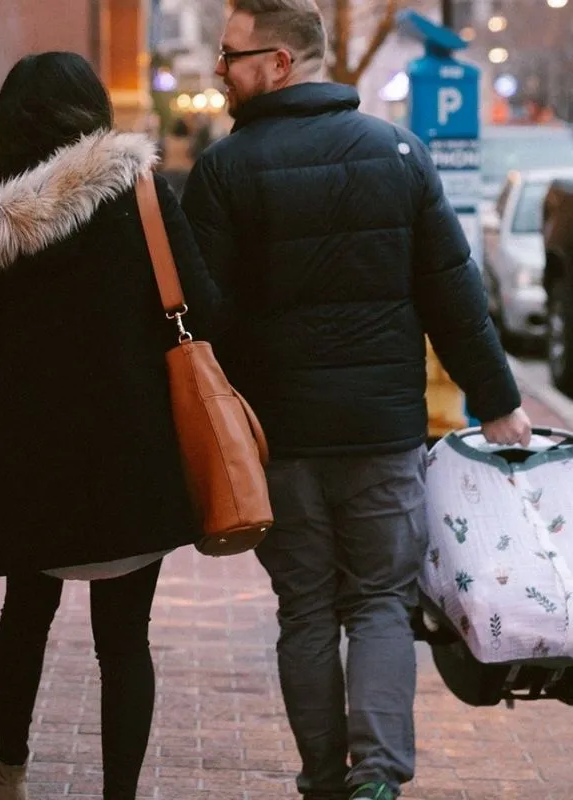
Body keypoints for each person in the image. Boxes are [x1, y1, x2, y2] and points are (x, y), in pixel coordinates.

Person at [180, 2, 532, 799]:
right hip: (381, 433)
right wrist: (498, 399)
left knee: (305, 609)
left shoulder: (224, 172)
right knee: (379, 603)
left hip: (281, 440)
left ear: (279, 63)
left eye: (232, 57)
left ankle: (321, 779)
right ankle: (377, 780)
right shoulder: (398, 154)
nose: (221, 73)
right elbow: (453, 293)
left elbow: (206, 320)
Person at [0, 53, 224, 800]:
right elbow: (207, 311)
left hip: (33, 464)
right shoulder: (145, 198)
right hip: (136, 461)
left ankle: (8, 774)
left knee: (24, 620)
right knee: (125, 643)